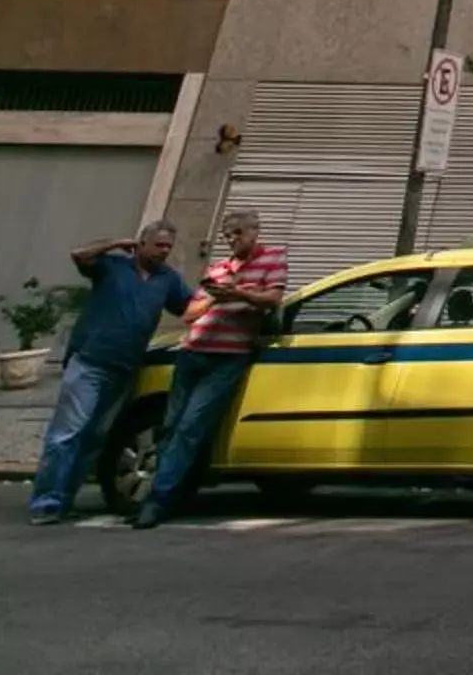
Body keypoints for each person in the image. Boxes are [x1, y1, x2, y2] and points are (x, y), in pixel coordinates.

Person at [26, 220, 191, 525]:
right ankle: (46, 502)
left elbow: (190, 307)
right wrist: (115, 243)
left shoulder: (167, 280)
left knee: (94, 437)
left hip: (125, 369)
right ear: (141, 243)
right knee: (68, 433)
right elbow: (79, 255)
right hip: (90, 362)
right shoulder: (112, 267)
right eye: (159, 245)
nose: (164, 252)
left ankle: (64, 500)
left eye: (168, 247)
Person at [131, 209, 287, 530]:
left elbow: (273, 298)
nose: (232, 239)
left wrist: (240, 293)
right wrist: (216, 298)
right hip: (193, 351)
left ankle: (158, 500)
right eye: (228, 234)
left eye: (238, 233)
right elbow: (189, 314)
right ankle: (163, 492)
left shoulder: (273, 258)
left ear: (254, 232)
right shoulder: (219, 268)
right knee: (172, 425)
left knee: (191, 426)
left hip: (227, 357)